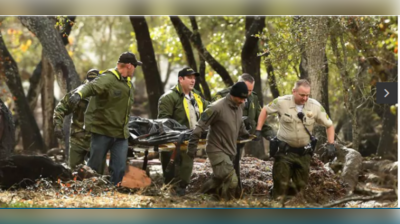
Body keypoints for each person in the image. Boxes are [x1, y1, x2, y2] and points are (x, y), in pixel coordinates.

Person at [68, 52, 142, 185]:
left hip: (121, 134)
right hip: (103, 131)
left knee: (119, 168)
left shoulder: (128, 82)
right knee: (94, 168)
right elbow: (92, 86)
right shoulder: (108, 78)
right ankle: (88, 191)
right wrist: (79, 94)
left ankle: (114, 192)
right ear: (129, 66)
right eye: (135, 66)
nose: (135, 69)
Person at [255, 79, 336, 199]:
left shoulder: (315, 106)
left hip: (303, 154)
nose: (305, 98)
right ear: (294, 91)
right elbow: (265, 110)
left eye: (307, 95)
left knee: (300, 188)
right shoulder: (282, 102)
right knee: (280, 187)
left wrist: (331, 144)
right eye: (302, 95)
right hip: (284, 152)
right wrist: (258, 129)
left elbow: (329, 125)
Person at [187, 82, 250, 200]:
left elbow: (239, 122)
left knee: (219, 179)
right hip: (216, 149)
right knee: (232, 181)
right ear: (232, 95)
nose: (243, 101)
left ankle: (202, 197)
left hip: (230, 149)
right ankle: (227, 206)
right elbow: (199, 128)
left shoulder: (240, 105)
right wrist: (192, 147)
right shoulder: (216, 107)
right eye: (240, 98)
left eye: (244, 98)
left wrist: (246, 133)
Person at [157, 67, 209, 196]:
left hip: (190, 141)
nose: (193, 81)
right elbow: (164, 122)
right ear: (181, 79)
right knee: (170, 175)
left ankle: (180, 194)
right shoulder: (168, 98)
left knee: (185, 172)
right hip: (173, 143)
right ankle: (168, 197)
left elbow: (210, 109)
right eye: (189, 78)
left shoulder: (197, 97)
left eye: (194, 78)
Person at [213, 73, 274, 159]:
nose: (249, 93)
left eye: (250, 90)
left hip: (242, 139)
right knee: (225, 163)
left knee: (236, 161)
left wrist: (271, 135)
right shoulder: (223, 96)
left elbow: (260, 117)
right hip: (225, 139)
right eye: (247, 90)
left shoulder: (253, 97)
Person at [53, 69, 99, 170]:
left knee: (97, 174)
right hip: (78, 139)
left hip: (97, 140)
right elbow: (61, 107)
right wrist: (57, 124)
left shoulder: (104, 95)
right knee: (74, 173)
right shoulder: (77, 94)